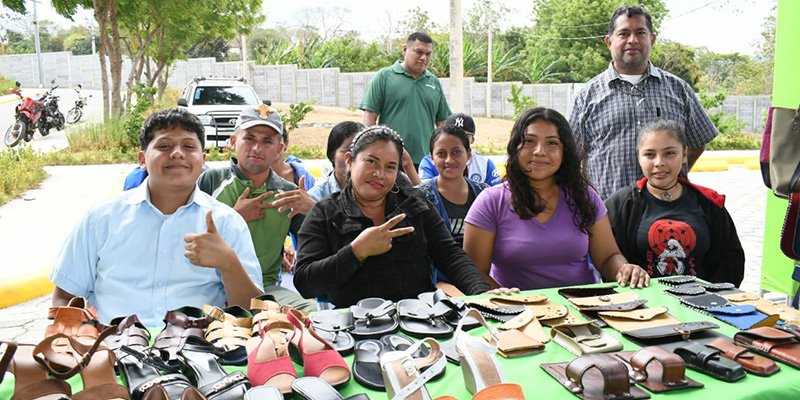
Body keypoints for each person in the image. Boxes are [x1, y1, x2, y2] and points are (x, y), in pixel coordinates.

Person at [49, 108, 263, 326]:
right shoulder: (100, 220)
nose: (177, 153)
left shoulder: (226, 223)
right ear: (142, 158)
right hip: (112, 349)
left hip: (198, 352)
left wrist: (228, 262)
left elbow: (251, 311)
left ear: (203, 161)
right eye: (164, 146)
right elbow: (64, 297)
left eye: (189, 146)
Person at [293, 126, 493, 307]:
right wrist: (356, 252)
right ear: (349, 161)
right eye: (371, 161)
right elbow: (305, 282)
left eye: (390, 167)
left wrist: (482, 293)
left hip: (420, 321)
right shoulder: (325, 213)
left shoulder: (415, 203)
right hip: (353, 329)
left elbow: (450, 256)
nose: (380, 174)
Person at [463, 107, 650, 290]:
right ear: (515, 147)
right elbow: (475, 273)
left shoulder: (584, 196)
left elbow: (608, 257)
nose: (539, 151)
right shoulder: (490, 202)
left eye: (551, 143)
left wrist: (624, 269)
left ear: (564, 152)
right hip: (516, 314)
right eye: (529, 141)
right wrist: (507, 300)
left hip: (582, 310)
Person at [567, 5, 718, 199]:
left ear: (652, 39)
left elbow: (698, 142)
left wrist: (674, 173)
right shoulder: (586, 97)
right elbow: (570, 158)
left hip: (668, 214)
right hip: (608, 216)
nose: (632, 40)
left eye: (640, 32)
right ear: (609, 41)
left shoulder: (678, 89)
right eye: (623, 33)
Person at [197, 105, 317, 311]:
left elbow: (320, 245)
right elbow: (188, 237)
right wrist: (234, 217)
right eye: (249, 138)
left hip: (265, 288)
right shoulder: (211, 181)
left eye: (267, 141)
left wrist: (314, 211)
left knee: (308, 314)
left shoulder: (288, 194)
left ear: (280, 149)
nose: (257, 148)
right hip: (210, 286)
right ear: (233, 142)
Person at [605, 119, 745, 286]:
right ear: (639, 157)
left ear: (684, 154)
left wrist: (710, 297)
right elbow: (607, 259)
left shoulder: (710, 203)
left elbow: (732, 262)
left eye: (669, 153)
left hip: (701, 304)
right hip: (643, 306)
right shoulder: (621, 205)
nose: (659, 163)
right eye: (649, 154)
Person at [360, 31, 451, 166]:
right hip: (391, 161)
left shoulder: (433, 82)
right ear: (405, 49)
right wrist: (373, 152)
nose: (423, 58)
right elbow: (369, 118)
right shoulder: (384, 77)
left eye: (428, 54)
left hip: (425, 162)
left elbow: (442, 122)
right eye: (419, 52)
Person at [417, 124, 489, 286]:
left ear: (469, 154)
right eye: (441, 154)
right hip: (437, 281)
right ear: (432, 158)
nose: (449, 160)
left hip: (480, 276)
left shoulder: (485, 194)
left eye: (456, 152)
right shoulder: (420, 196)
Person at [418, 113, 501, 186]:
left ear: (473, 139)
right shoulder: (429, 162)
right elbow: (423, 193)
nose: (449, 160)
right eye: (453, 135)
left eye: (464, 136)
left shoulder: (485, 164)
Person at [309, 121, 366, 201]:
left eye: (362, 151)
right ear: (332, 154)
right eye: (349, 150)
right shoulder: (315, 197)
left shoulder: (378, 193)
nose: (355, 157)